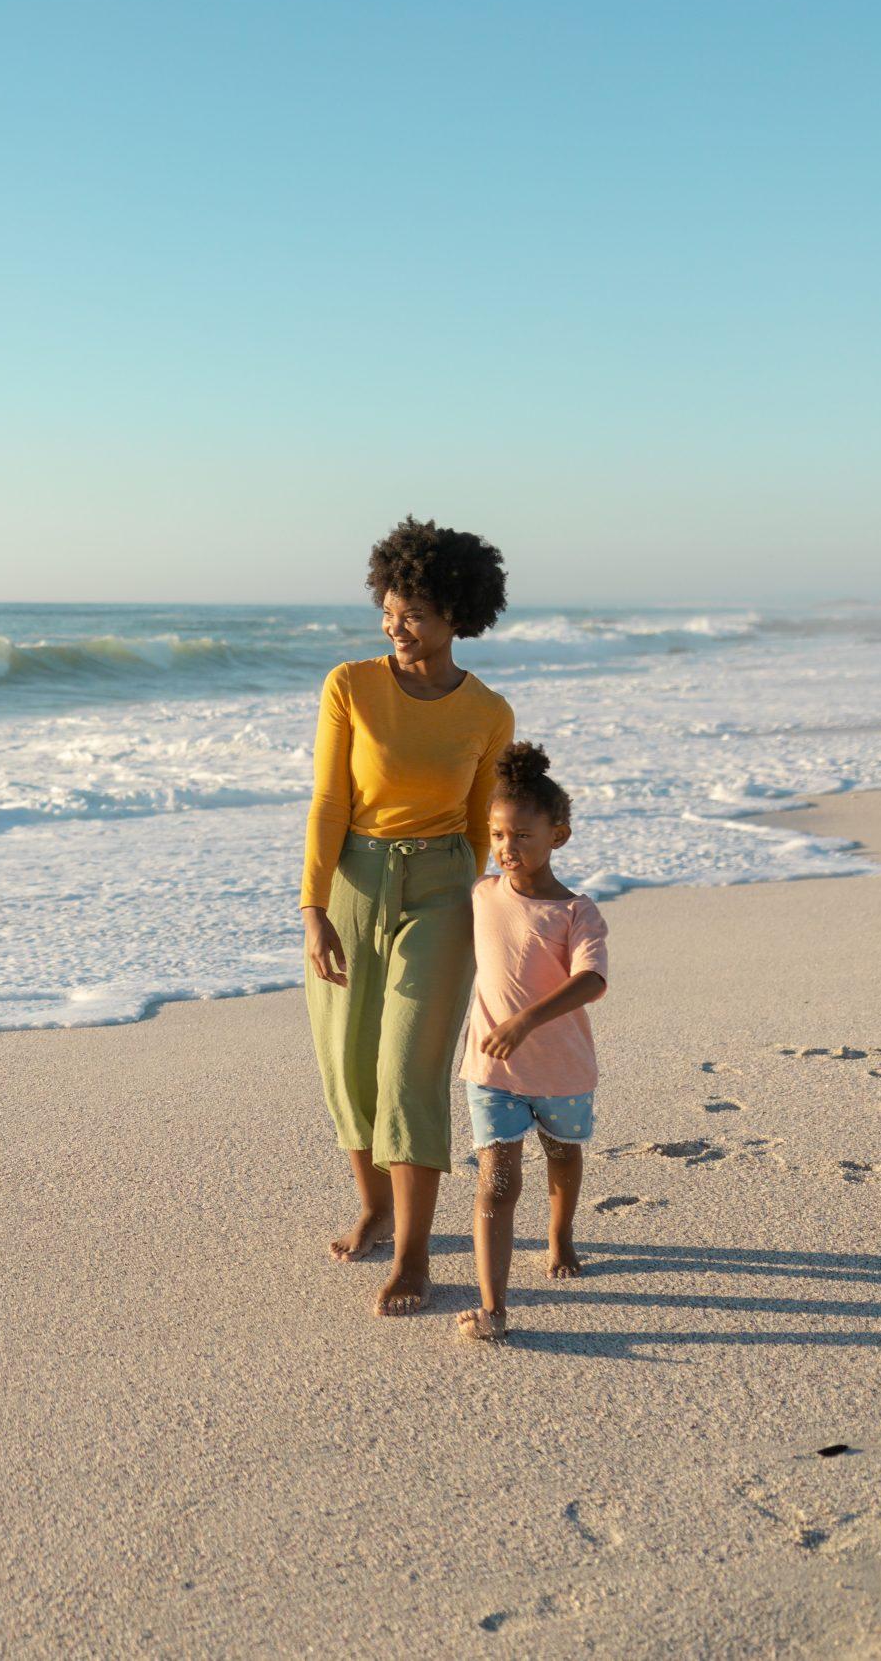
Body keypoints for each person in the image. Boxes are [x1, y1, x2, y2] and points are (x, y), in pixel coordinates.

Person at [303, 518, 515, 1316]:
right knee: (349, 1064)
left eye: (415, 613)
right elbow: (329, 802)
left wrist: (486, 907)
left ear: (457, 615)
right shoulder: (350, 686)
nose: (397, 625)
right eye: (390, 609)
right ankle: (376, 1204)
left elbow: (475, 824)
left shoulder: (489, 712)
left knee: (408, 1070)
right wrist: (313, 906)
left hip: (443, 887)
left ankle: (414, 1252)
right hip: (354, 877)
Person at [453, 744, 609, 1341]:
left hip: (563, 1069)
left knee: (564, 1155)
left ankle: (561, 1233)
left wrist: (524, 1022)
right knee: (497, 1180)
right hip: (490, 1071)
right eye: (496, 835)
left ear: (558, 836)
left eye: (520, 835)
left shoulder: (577, 912)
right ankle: (494, 1306)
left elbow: (591, 981)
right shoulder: (482, 894)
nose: (506, 848)